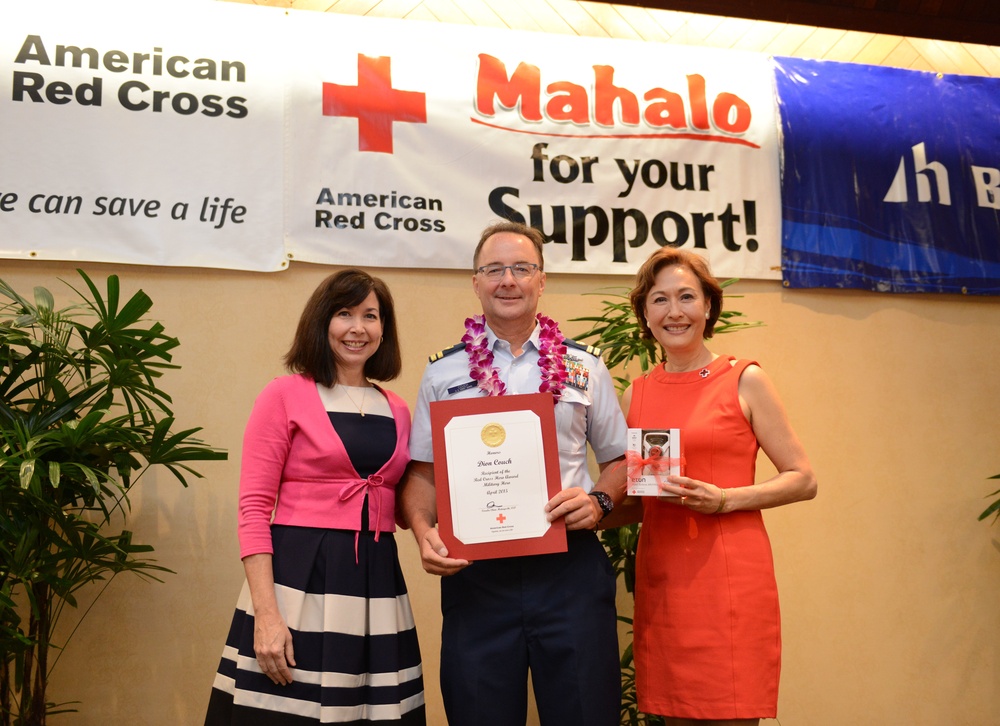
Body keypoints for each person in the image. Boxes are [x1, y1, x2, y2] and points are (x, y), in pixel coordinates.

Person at [397, 220, 628, 726]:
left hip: (570, 569)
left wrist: (599, 502)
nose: (508, 280)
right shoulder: (442, 373)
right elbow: (421, 471)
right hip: (477, 578)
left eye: (522, 268)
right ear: (475, 282)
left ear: (542, 281)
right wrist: (422, 532)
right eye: (494, 269)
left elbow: (620, 459)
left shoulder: (585, 367)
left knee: (586, 714)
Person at [205, 269, 426, 725]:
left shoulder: (399, 408)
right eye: (344, 314)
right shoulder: (283, 395)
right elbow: (252, 511)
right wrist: (267, 615)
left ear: (384, 329)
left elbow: (409, 506)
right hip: (297, 582)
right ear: (321, 323)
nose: (357, 328)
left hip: (377, 587)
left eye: (370, 315)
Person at [617, 247, 817, 726]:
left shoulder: (744, 378)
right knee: (674, 715)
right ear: (645, 313)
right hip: (665, 576)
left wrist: (726, 499)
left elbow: (803, 478)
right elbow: (639, 493)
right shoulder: (636, 393)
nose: (675, 311)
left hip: (728, 575)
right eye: (660, 300)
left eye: (687, 296)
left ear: (708, 305)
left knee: (730, 712)